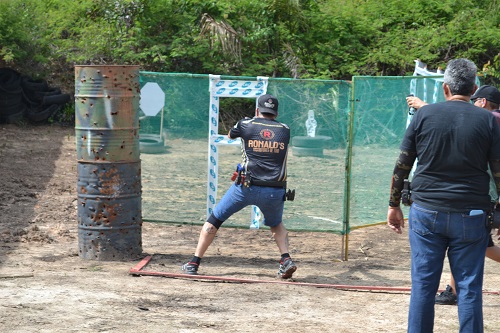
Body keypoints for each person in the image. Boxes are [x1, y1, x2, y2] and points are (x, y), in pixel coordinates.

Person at [387, 58, 500, 333]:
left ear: (444, 88)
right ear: (474, 88)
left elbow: (403, 163)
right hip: (472, 215)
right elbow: (498, 171)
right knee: (469, 289)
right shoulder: (488, 120)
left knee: (423, 287)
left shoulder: (424, 115)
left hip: (426, 212)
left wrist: (393, 204)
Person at [181, 94, 297, 279]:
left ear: (257, 110)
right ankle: (286, 259)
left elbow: (230, 134)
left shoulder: (245, 124)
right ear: (275, 112)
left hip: (245, 187)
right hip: (275, 189)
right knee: (276, 225)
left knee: (214, 220)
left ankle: (194, 263)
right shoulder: (285, 129)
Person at [407, 85, 500, 305]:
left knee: (479, 247)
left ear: (483, 102)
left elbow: (455, 117)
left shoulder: (493, 118)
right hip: (477, 198)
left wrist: (424, 107)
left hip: (478, 199)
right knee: (464, 250)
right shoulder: (490, 119)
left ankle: (454, 290)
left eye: (475, 101)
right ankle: (453, 290)